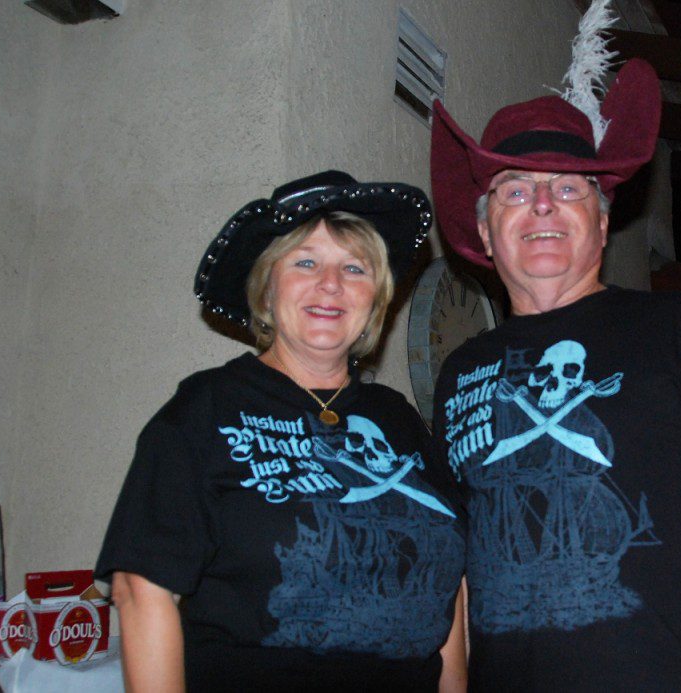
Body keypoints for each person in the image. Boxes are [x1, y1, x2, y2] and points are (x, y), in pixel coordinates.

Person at [428, 59, 681, 690]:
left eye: (568, 189)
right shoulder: (463, 371)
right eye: (515, 191)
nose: (542, 205)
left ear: (604, 220)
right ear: (484, 229)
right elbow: (458, 568)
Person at [95, 171, 466, 692]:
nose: (331, 283)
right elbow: (141, 590)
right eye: (306, 262)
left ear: (375, 301)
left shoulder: (398, 418)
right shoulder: (207, 408)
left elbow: (447, 587)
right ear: (267, 290)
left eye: (354, 268)